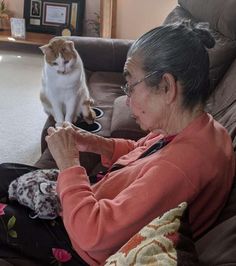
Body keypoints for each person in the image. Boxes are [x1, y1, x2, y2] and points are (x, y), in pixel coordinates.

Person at [0, 21, 235, 265]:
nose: (126, 96)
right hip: (99, 200)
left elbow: (93, 237)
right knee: (5, 172)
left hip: (81, 243)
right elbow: (141, 152)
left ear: (167, 87)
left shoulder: (179, 169)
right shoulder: (199, 129)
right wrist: (94, 143)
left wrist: (69, 163)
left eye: (131, 85)